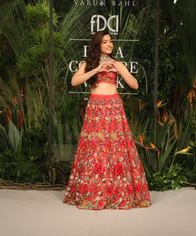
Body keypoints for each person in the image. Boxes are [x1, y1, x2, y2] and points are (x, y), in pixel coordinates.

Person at [63, 30, 151, 210]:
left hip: (113, 108)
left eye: (110, 41)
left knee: (116, 149)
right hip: (95, 108)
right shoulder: (88, 63)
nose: (109, 44)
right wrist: (96, 69)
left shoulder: (117, 63)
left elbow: (134, 84)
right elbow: (74, 81)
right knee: (95, 150)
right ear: (97, 45)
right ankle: (95, 192)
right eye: (105, 42)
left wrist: (119, 69)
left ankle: (116, 192)